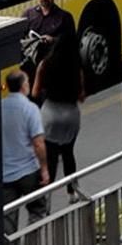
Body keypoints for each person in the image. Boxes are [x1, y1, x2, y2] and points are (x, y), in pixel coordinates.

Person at [31, 33, 85, 205]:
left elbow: (35, 92)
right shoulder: (76, 66)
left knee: (51, 157)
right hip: (71, 115)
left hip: (50, 114)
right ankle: (72, 192)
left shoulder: (45, 64)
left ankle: (47, 197)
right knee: (69, 153)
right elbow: (81, 95)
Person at [1, 70, 49, 234]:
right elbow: (38, 143)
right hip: (29, 171)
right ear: (23, 86)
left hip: (5, 174)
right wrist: (44, 169)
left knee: (7, 219)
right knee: (38, 210)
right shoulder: (30, 108)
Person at [21, 0, 76, 85]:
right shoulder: (28, 14)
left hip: (54, 69)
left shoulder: (64, 17)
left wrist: (53, 40)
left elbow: (71, 43)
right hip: (31, 68)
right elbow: (21, 39)